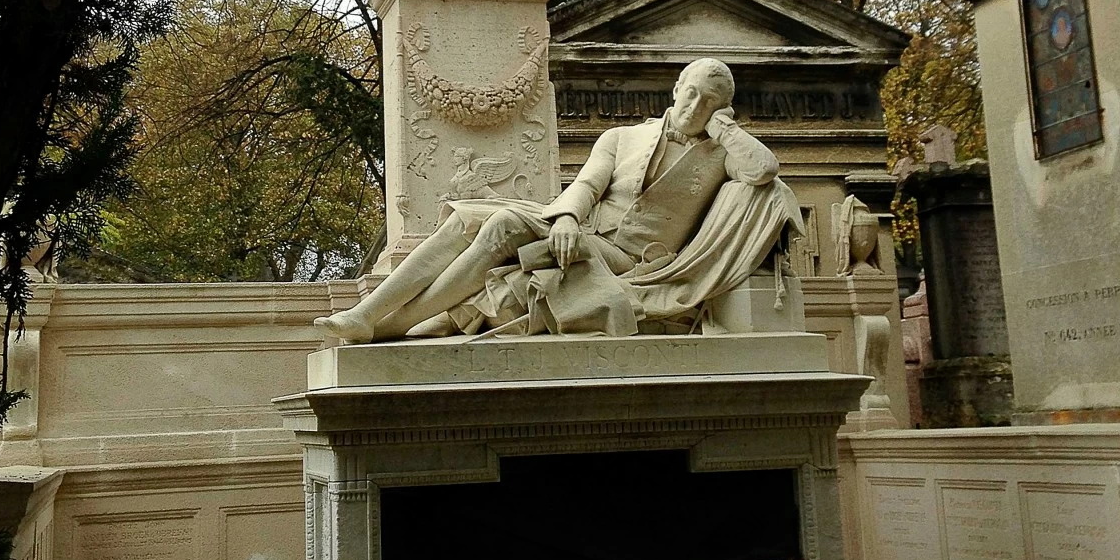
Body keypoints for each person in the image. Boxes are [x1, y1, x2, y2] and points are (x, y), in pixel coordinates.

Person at [316, 56, 801, 343]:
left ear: (721, 110)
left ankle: (386, 328)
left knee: (504, 223)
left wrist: (726, 128)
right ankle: (368, 314)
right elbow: (586, 187)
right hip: (581, 230)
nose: (695, 108)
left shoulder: (721, 156)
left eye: (709, 103)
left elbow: (763, 170)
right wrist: (568, 216)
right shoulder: (621, 136)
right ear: (676, 89)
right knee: (470, 218)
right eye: (692, 94)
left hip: (630, 260)